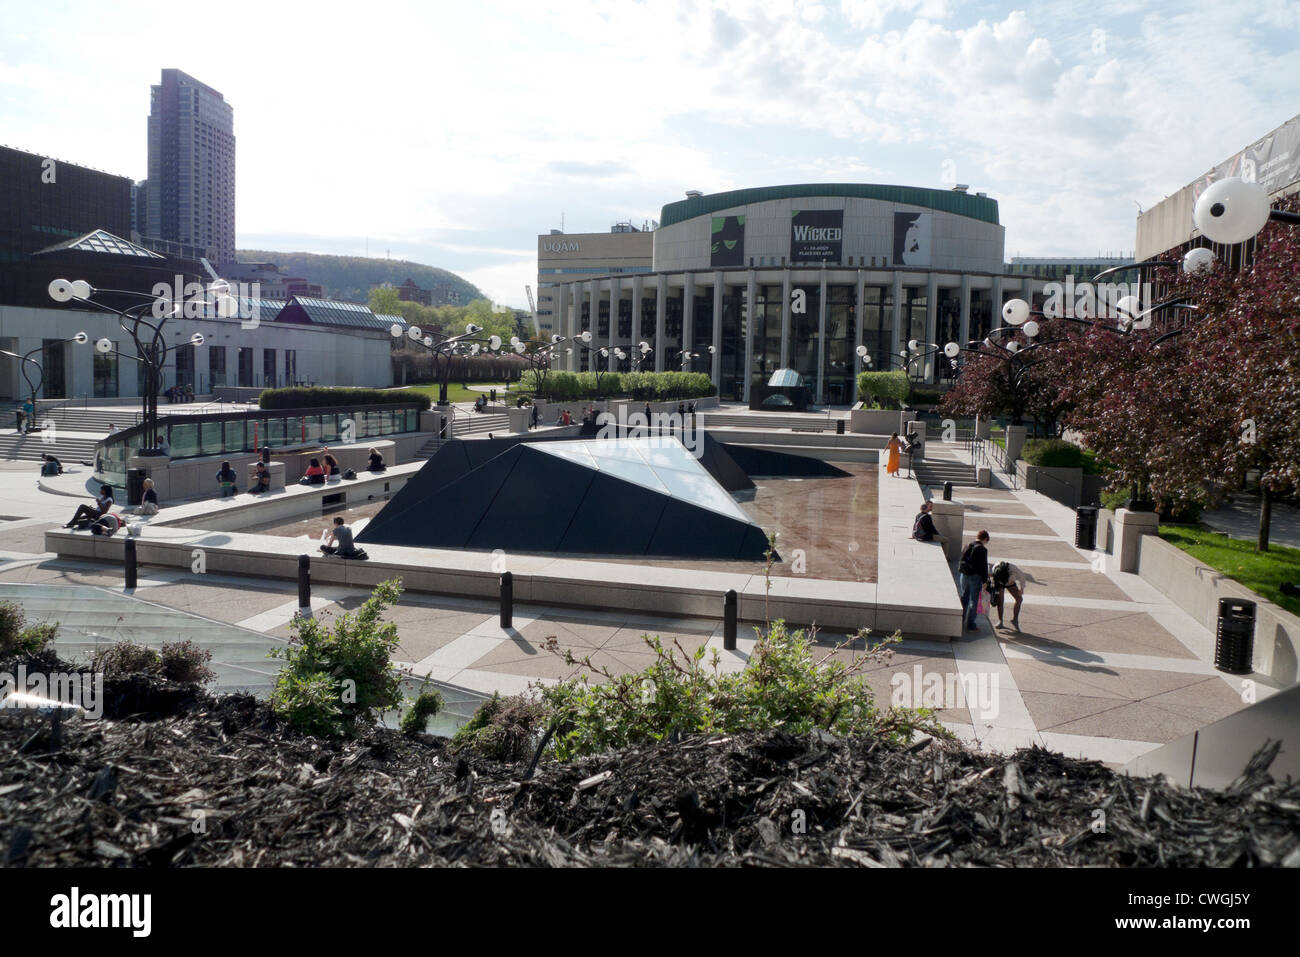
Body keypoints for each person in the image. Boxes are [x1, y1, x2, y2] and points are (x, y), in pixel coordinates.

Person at [958, 531, 991, 633]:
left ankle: (960, 621)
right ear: (985, 539)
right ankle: (971, 625)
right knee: (974, 601)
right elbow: (983, 566)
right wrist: (985, 581)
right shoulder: (982, 549)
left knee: (964, 598)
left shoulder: (967, 545)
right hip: (975, 577)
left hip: (964, 575)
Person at [988, 561, 1029, 631]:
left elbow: (1022, 576)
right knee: (1000, 601)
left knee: (1019, 599)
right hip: (999, 583)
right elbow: (989, 575)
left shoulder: (1013, 568)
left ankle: (1015, 619)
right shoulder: (995, 568)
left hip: (1011, 583)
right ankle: (1000, 621)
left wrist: (1021, 589)